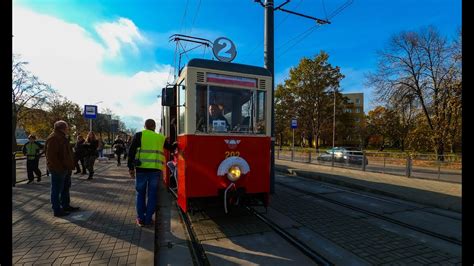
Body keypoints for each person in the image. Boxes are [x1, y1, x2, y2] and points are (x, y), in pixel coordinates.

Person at [127, 119, 176, 227]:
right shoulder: (160, 137)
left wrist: (130, 168)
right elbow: (171, 148)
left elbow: (131, 152)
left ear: (145, 126)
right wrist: (176, 143)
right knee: (152, 195)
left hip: (141, 170)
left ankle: (140, 219)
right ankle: (149, 219)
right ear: (154, 127)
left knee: (140, 194)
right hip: (155, 171)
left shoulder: (139, 135)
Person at [45, 120, 80, 217]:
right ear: (62, 128)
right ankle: (57, 209)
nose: (68, 129)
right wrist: (60, 168)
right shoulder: (54, 138)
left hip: (65, 168)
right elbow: (51, 156)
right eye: (67, 128)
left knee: (65, 188)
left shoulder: (61, 137)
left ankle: (65, 205)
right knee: (56, 190)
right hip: (58, 169)